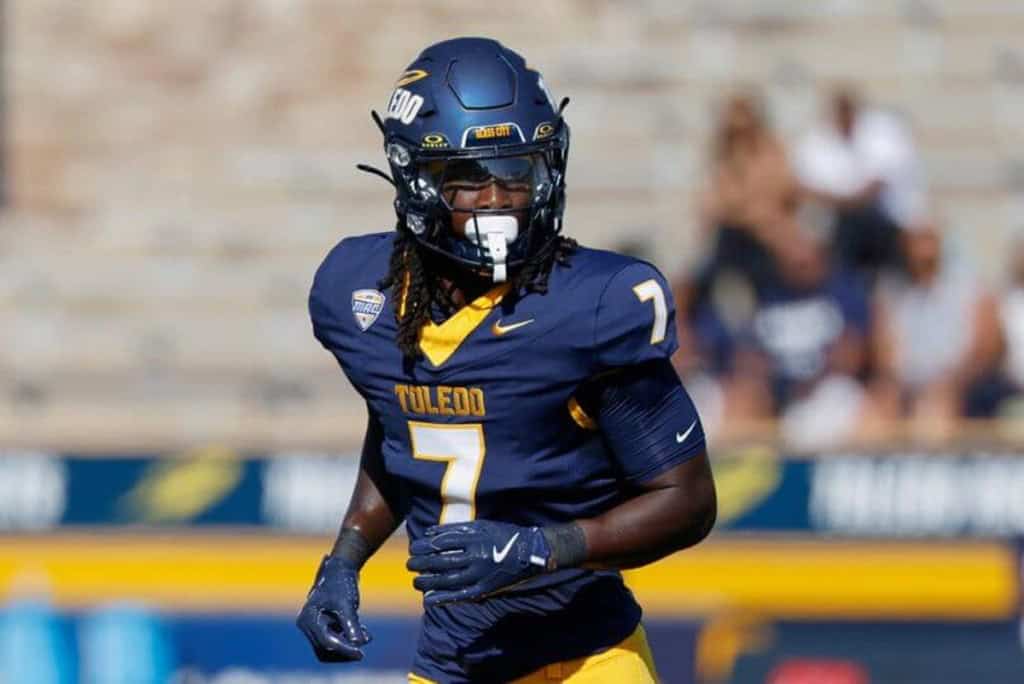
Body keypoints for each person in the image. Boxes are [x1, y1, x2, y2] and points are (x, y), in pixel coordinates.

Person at [296, 38, 716, 684]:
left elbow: (688, 500)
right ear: (417, 180)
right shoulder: (362, 296)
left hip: (588, 659)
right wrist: (345, 557)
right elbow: (403, 427)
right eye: (470, 177)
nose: (498, 199)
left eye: (517, 173)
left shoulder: (589, 307)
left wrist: (543, 548)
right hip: (455, 665)